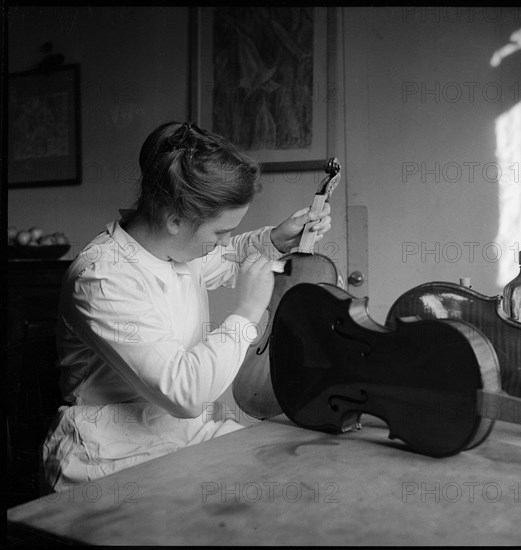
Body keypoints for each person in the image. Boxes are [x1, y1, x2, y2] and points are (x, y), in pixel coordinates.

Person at [42, 121, 331, 492]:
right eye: (219, 232)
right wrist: (245, 314)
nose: (224, 241)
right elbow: (185, 394)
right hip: (106, 457)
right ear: (175, 219)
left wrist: (274, 239)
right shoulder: (103, 278)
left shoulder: (173, 249)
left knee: (291, 469)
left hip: (177, 436)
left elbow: (226, 257)